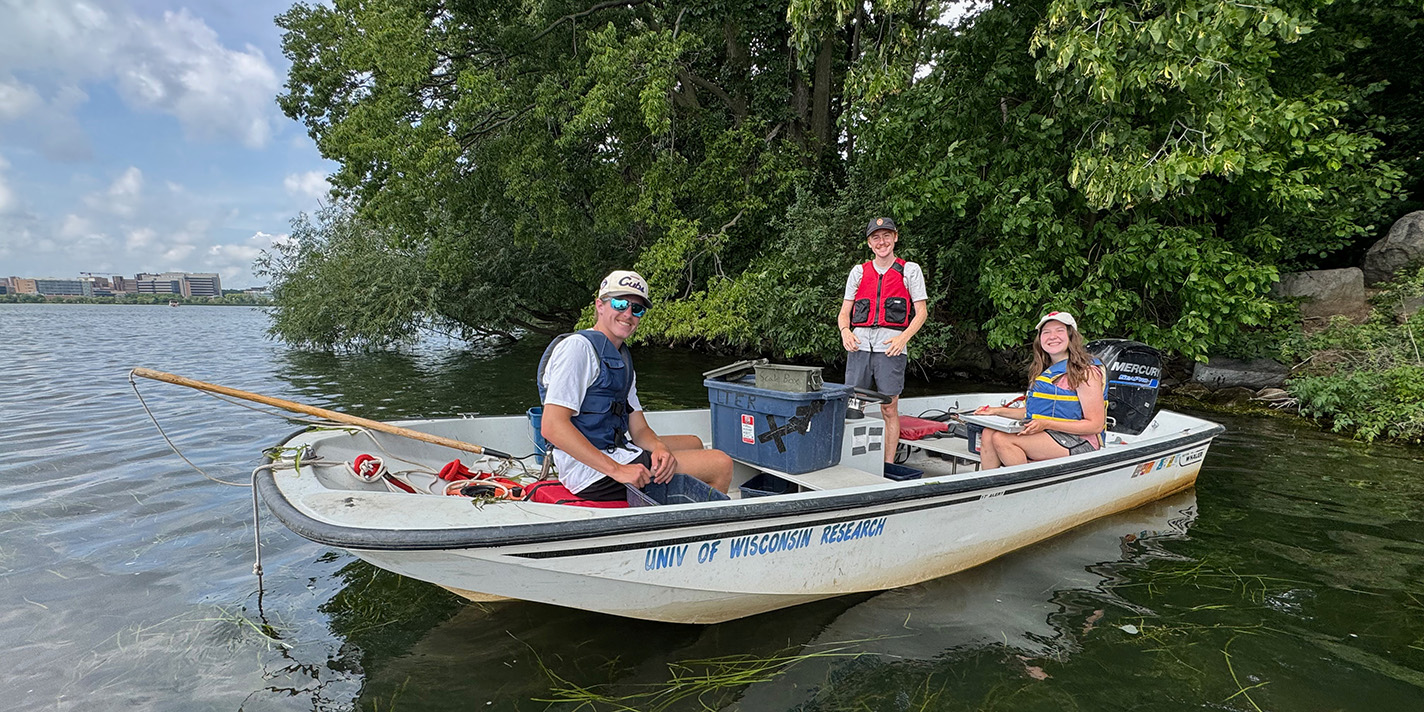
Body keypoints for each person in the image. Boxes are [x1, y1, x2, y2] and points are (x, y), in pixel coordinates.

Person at [538, 270, 733, 500]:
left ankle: (676, 506)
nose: (628, 314)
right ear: (600, 305)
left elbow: (639, 430)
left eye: (636, 309)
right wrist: (618, 470)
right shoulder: (578, 349)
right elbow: (551, 426)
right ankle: (697, 531)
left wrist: (659, 447)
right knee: (721, 464)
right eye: (620, 303)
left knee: (694, 442)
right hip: (589, 472)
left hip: (615, 450)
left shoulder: (621, 358)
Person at [837, 217, 929, 464]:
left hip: (891, 346)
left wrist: (903, 338)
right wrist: (845, 331)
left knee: (889, 407)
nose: (882, 242)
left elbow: (921, 312)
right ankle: (850, 460)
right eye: (876, 237)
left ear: (895, 237)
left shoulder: (910, 270)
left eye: (886, 236)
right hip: (859, 344)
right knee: (853, 406)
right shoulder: (858, 272)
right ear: (869, 243)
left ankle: (888, 464)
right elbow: (845, 311)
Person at [974, 311, 1107, 470]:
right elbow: (1033, 412)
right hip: (1049, 433)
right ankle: (992, 490)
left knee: (1002, 439)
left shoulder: (1086, 373)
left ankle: (1026, 489)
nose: (1052, 336)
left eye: (1059, 331)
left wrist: (1046, 424)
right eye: (1046, 332)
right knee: (989, 433)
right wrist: (996, 411)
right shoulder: (1043, 370)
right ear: (1040, 339)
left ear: (1071, 336)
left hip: (1080, 442)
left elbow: (1095, 425)